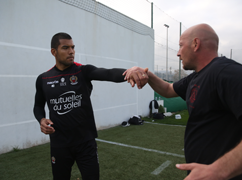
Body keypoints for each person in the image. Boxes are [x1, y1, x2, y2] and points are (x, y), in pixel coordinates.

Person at [124, 23, 242, 180]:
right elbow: (167, 89)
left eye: (180, 46)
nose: (178, 53)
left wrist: (220, 170)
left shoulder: (226, 72)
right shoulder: (197, 76)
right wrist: (145, 73)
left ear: (195, 44)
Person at [33, 32, 128, 180]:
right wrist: (41, 119)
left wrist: (130, 72)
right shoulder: (44, 79)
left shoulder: (82, 71)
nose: (71, 51)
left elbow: (108, 73)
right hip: (59, 144)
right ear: (54, 52)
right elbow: (38, 106)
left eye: (73, 47)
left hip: (85, 143)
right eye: (65, 48)